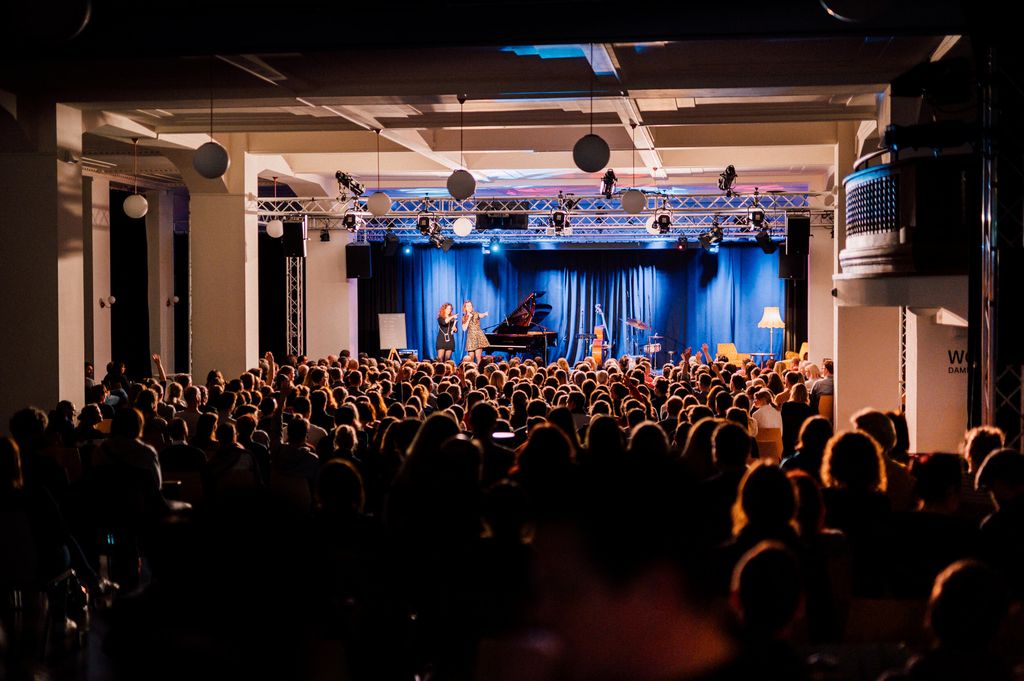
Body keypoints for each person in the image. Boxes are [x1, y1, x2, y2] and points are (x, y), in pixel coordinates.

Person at [461, 300, 490, 364]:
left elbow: (481, 315)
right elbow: (464, 329)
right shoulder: (464, 317)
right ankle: (471, 371)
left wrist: (485, 314)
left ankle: (479, 371)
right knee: (471, 357)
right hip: (471, 338)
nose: (470, 307)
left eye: (471, 305)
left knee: (478, 356)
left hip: (478, 337)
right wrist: (468, 318)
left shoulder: (476, 314)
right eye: (468, 306)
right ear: (465, 307)